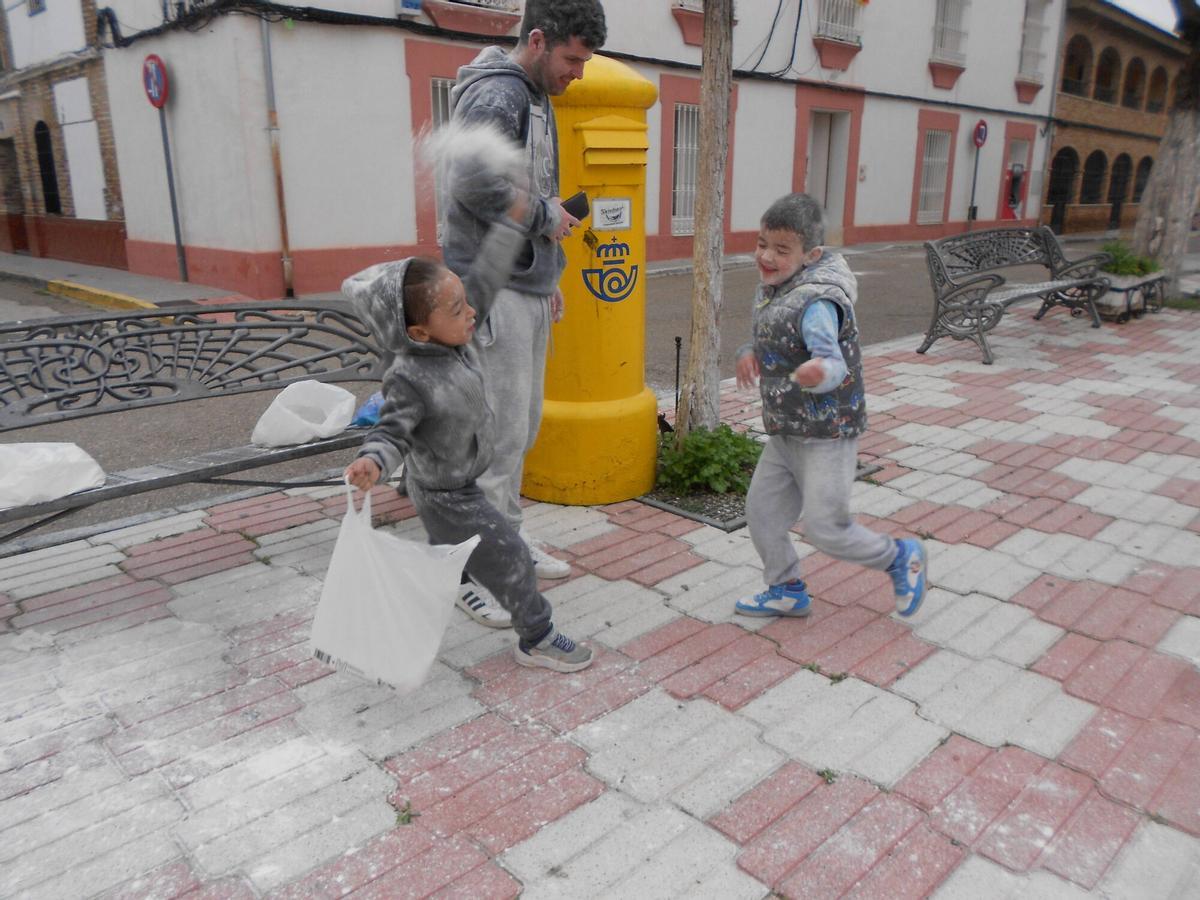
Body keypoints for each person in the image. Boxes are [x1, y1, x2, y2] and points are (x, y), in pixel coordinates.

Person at [342, 197, 592, 673]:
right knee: (511, 555)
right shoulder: (410, 377)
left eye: (464, 303)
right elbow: (391, 429)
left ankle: (449, 579)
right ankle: (536, 636)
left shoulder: (456, 332)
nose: (471, 313)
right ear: (419, 331)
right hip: (447, 493)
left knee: (455, 550)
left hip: (460, 478)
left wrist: (516, 217)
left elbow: (490, 270)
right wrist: (373, 460)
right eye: (457, 310)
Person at [442, 0, 607, 623]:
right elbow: (474, 185)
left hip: (523, 285)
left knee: (519, 433)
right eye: (571, 59)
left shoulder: (536, 98)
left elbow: (526, 187)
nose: (579, 74)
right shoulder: (499, 96)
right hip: (490, 292)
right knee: (494, 442)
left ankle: (505, 542)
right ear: (538, 41)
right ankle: (470, 572)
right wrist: (545, 221)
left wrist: (545, 272)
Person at [733, 193, 928, 620]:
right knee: (762, 513)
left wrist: (819, 371)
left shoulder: (817, 302)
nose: (766, 256)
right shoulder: (775, 286)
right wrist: (749, 351)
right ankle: (785, 588)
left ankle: (899, 558)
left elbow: (834, 363)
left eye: (781, 250)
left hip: (826, 435)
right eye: (762, 242)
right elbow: (769, 335)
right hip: (786, 432)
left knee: (825, 529)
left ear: (811, 255)